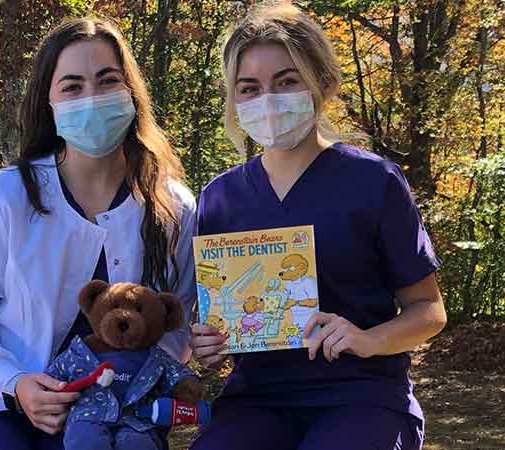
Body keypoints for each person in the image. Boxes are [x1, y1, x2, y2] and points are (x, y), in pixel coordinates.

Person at [0, 16, 197, 450]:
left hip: (118, 415)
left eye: (107, 81)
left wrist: (138, 385)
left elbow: (179, 324)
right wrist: (14, 382)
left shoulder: (171, 207)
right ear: (49, 101)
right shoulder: (2, 196)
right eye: (72, 86)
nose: (92, 98)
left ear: (131, 93)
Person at [187, 3, 447, 449]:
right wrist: (207, 346)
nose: (267, 100)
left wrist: (368, 339)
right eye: (249, 88)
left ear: (322, 82)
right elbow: (218, 320)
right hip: (256, 400)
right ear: (234, 99)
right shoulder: (219, 199)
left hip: (363, 394)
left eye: (286, 81)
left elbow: (429, 311)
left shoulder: (374, 181)